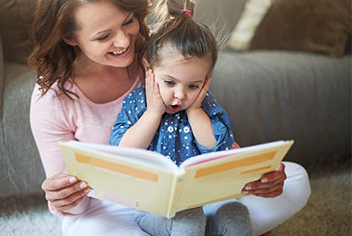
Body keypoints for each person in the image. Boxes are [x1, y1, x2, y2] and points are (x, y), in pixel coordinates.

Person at [28, 0, 311, 235]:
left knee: (295, 179)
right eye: (104, 36)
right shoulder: (52, 100)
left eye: (128, 21)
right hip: (117, 207)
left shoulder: (161, 50)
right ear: (70, 37)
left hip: (192, 193)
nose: (124, 41)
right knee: (86, 230)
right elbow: (77, 205)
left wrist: (255, 175)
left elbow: (208, 134)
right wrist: (64, 197)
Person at [109, 1, 253, 235]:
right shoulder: (138, 103)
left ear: (206, 80)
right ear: (149, 69)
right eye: (169, 83)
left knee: (236, 214)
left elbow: (217, 147)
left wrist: (195, 110)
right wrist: (153, 113)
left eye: (193, 85)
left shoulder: (203, 105)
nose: (180, 95)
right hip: (153, 207)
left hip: (204, 200)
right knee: (187, 218)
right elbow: (123, 151)